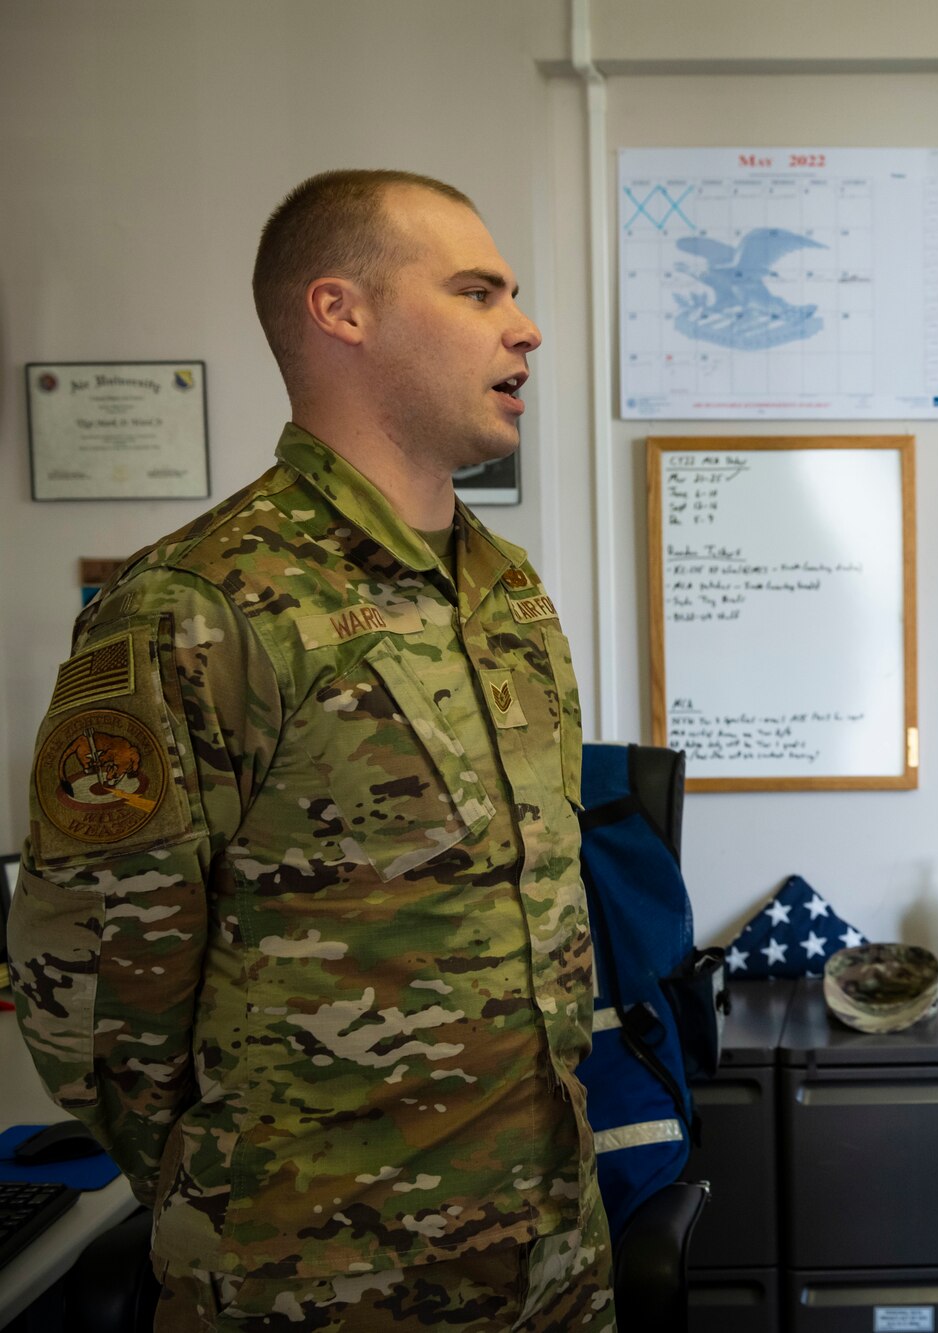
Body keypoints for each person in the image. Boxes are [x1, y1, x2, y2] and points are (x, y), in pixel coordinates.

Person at [7, 170, 611, 1330]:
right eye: (478, 290)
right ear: (343, 311)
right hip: (321, 1280)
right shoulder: (199, 603)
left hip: (544, 1248)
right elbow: (90, 997)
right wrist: (247, 1199)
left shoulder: (503, 588)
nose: (524, 326)